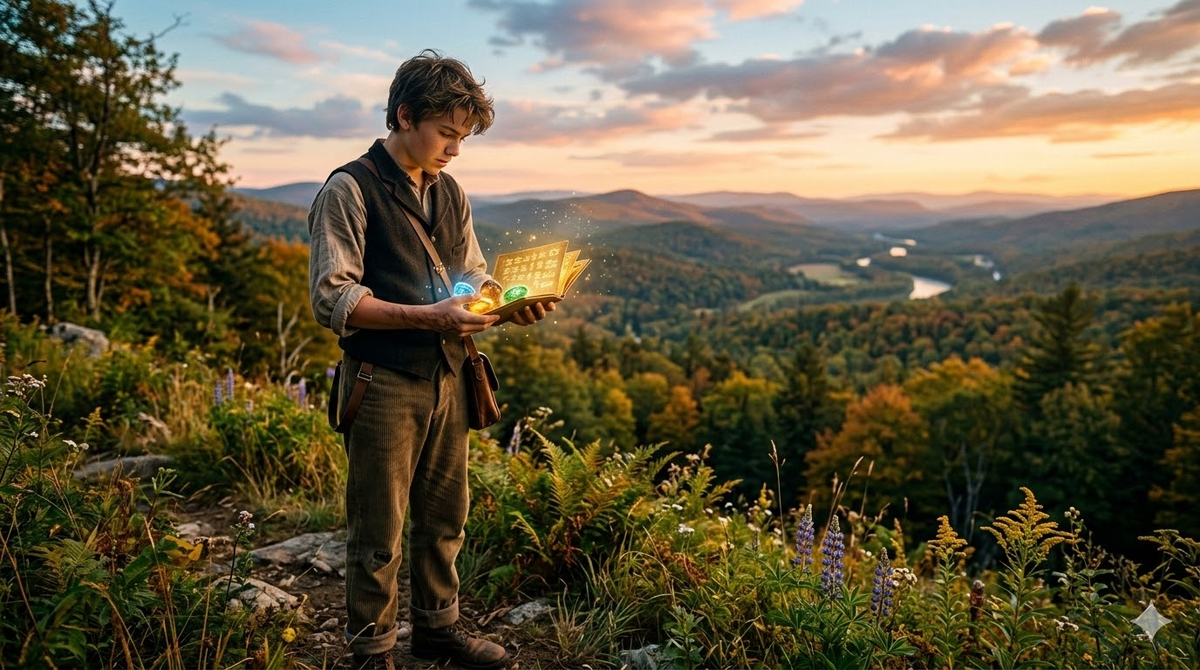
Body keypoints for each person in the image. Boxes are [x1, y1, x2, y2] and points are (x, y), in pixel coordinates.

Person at [308, 49, 553, 670]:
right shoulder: (349, 188)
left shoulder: (452, 193)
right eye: (447, 133)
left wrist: (501, 304)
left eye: (463, 138)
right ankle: (372, 652)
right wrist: (432, 317)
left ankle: (438, 633)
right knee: (378, 529)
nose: (455, 149)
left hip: (449, 374)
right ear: (403, 115)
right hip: (381, 379)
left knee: (446, 517)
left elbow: (468, 275)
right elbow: (333, 297)